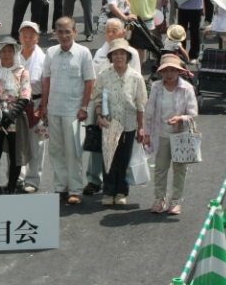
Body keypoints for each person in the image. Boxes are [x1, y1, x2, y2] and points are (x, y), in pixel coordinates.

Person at [40, 17, 95, 205]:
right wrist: (44, 105)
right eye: (60, 32)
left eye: (67, 31)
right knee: (56, 151)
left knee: (73, 152)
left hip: (74, 111)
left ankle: (75, 190)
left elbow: (90, 82)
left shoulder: (84, 53)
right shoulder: (51, 52)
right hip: (54, 109)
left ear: (75, 32)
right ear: (55, 33)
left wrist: (84, 107)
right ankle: (60, 188)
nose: (64, 35)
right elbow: (46, 80)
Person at [89, 39, 148, 206]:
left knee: (123, 159)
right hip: (109, 123)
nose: (118, 57)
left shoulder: (136, 78)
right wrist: (99, 117)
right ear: (110, 56)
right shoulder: (104, 75)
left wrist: (141, 127)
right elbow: (98, 97)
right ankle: (108, 192)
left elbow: (140, 104)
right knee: (108, 158)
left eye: (122, 53)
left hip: (129, 124)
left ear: (128, 56)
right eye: (115, 54)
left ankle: (121, 191)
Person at [144, 54, 199, 215]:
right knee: (160, 168)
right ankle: (159, 198)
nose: (169, 74)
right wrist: (146, 133)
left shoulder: (187, 88)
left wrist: (181, 118)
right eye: (166, 70)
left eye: (173, 70)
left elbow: (193, 114)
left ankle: (175, 200)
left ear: (179, 71)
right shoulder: (156, 87)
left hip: (181, 134)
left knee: (180, 169)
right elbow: (149, 112)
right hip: (161, 134)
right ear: (161, 72)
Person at [0, 37, 32, 194]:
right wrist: (0, 115)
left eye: (10, 51)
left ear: (15, 53)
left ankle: (11, 185)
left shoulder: (22, 72)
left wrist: (12, 115)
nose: (7, 54)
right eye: (3, 51)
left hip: (15, 117)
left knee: (16, 152)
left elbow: (25, 95)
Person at [16, 22, 47, 193]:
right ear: (19, 38)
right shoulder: (14, 56)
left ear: (37, 38)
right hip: (17, 106)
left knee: (37, 144)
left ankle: (33, 179)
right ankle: (18, 177)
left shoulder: (43, 58)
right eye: (24, 36)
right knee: (18, 142)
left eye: (31, 36)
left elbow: (47, 85)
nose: (27, 40)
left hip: (36, 103)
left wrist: (43, 107)